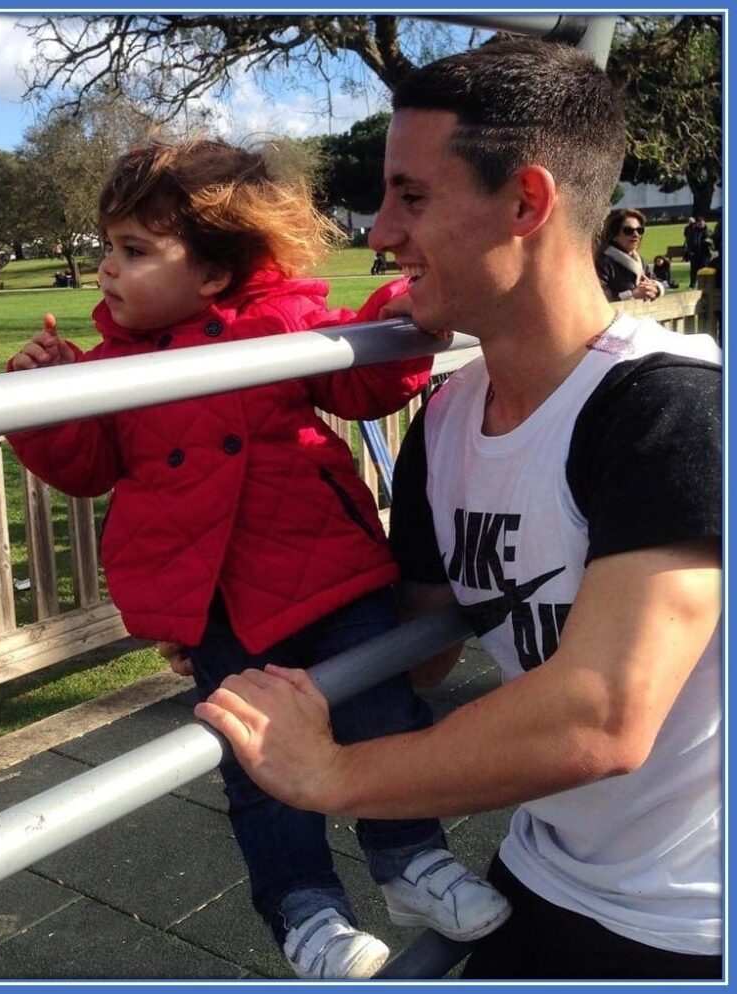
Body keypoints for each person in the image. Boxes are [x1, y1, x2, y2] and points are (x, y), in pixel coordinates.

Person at [195, 39, 722, 981]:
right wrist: (237, 598)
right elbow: (426, 646)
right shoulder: (444, 416)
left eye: (414, 197)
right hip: (544, 862)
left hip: (693, 919)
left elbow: (602, 717)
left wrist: (336, 777)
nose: (380, 233)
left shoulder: (672, 409)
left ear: (526, 202)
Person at [5, 138, 509, 979]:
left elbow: (363, 381)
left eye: (133, 251)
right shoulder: (111, 366)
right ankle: (306, 913)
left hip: (328, 570)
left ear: (211, 273)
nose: (106, 270)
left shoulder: (276, 324)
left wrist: (402, 310)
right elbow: (86, 467)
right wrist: (44, 404)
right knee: (257, 764)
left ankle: (410, 860)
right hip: (218, 603)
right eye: (107, 248)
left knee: (382, 715)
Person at [596, 208, 665, 301]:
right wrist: (632, 294)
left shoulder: (640, 260)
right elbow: (600, 300)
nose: (636, 234)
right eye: (628, 230)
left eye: (640, 230)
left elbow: (657, 280)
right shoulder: (601, 263)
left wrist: (655, 289)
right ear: (614, 235)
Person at [683, 215, 713, 287]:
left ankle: (706, 284)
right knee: (694, 270)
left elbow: (712, 240)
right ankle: (692, 284)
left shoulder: (708, 231)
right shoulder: (693, 231)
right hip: (695, 254)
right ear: (696, 223)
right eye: (699, 223)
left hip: (705, 254)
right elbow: (689, 241)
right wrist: (691, 251)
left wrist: (709, 242)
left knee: (705, 270)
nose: (700, 224)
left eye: (702, 222)